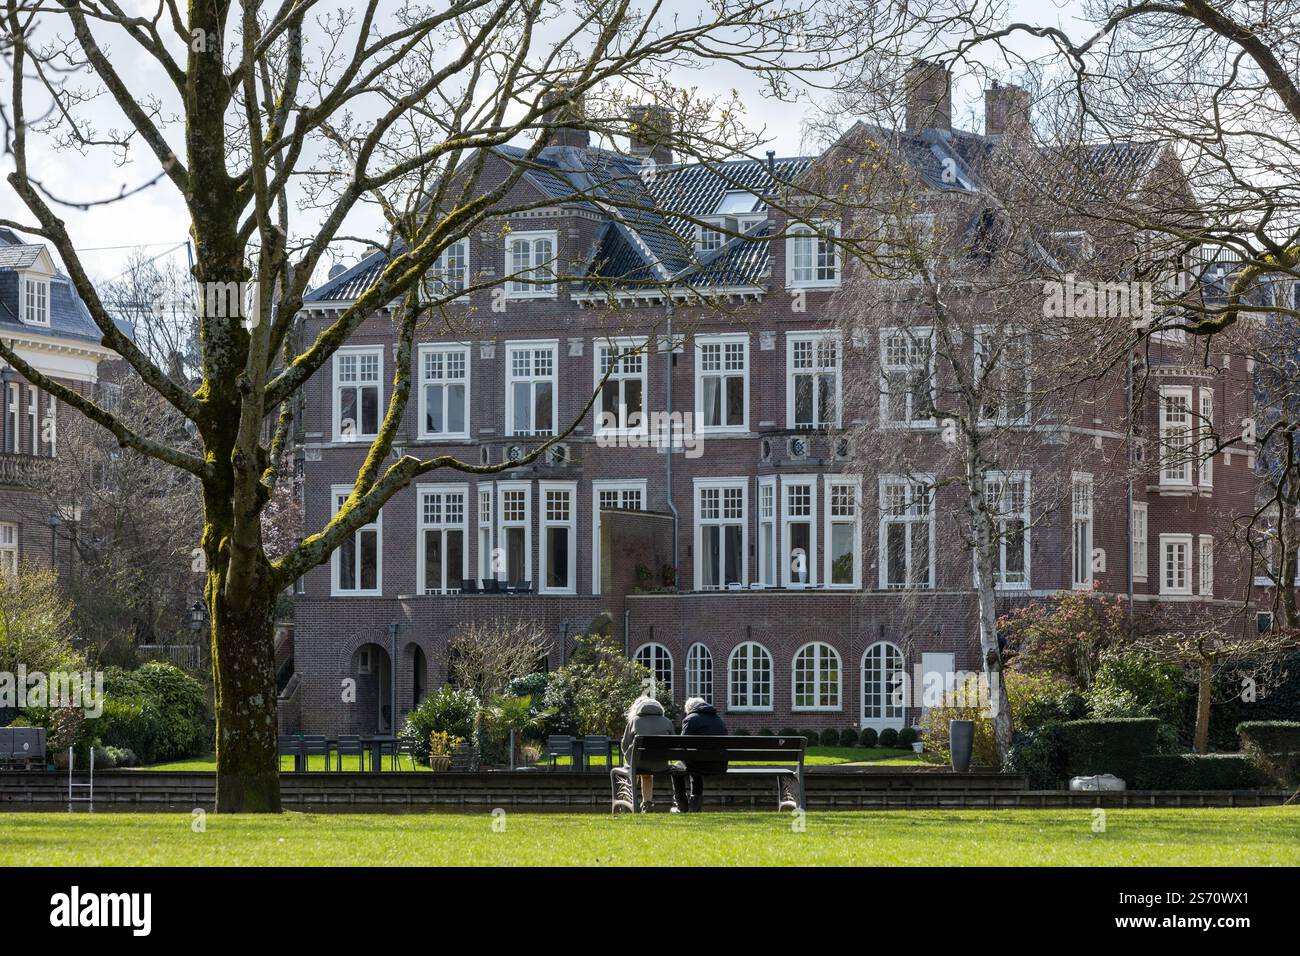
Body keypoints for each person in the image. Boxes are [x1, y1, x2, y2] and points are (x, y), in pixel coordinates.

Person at [671, 696, 727, 812]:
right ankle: (695, 806)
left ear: (689, 709)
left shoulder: (690, 719)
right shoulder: (718, 719)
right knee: (695, 763)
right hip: (720, 765)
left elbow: (683, 744)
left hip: (699, 764)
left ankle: (681, 806)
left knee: (676, 768)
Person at [620, 695, 674, 812]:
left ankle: (627, 802)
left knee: (633, 766)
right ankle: (647, 804)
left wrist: (629, 757)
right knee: (647, 773)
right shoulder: (667, 722)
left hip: (638, 763)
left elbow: (624, 745)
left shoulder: (634, 721)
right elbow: (673, 745)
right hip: (661, 765)